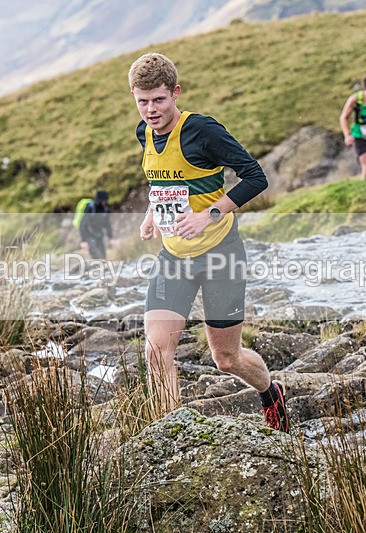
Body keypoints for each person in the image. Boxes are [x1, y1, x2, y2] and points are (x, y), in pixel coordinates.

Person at [128, 52, 289, 432]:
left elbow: (255, 177)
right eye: (142, 101)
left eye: (159, 100)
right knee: (156, 352)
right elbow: (164, 180)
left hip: (220, 256)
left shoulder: (202, 130)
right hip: (174, 258)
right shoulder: (144, 132)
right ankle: (169, 437)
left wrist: (209, 214)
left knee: (227, 359)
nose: (151, 110)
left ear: (175, 93)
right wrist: (153, 212)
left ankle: (271, 393)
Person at [78, 190, 114, 260]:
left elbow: (107, 225)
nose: (104, 202)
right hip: (89, 234)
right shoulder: (90, 208)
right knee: (94, 253)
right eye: (103, 201)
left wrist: (111, 238)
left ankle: (102, 263)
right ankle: (96, 263)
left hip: (99, 234)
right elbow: (82, 224)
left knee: (103, 254)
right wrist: (83, 240)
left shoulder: (105, 209)